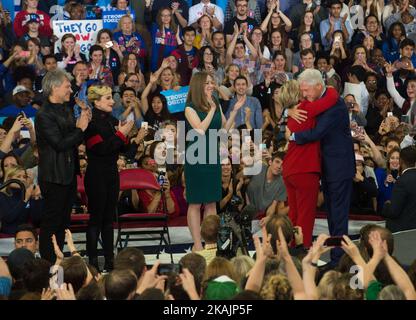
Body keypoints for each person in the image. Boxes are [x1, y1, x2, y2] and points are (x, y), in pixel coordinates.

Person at [286, 69, 355, 265]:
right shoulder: (323, 99)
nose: (304, 94)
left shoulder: (336, 105)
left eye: (306, 90)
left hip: (339, 168)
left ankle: (339, 261)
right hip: (328, 167)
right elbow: (301, 108)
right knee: (333, 215)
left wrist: (293, 136)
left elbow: (317, 131)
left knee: (338, 217)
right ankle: (337, 258)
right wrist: (287, 111)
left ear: (318, 86)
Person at [35, 69, 90, 262]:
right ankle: (48, 264)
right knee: (52, 222)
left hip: (67, 173)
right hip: (53, 176)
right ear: (54, 87)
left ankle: (58, 262)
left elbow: (70, 137)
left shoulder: (64, 107)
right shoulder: (44, 115)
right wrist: (80, 128)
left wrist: (82, 120)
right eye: (66, 86)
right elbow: (59, 144)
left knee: (63, 222)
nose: (70, 90)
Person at [184, 71, 243, 251]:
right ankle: (196, 244)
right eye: (207, 83)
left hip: (212, 156)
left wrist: (234, 111)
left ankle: (210, 242)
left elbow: (224, 128)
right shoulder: (190, 107)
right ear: (198, 85)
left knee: (211, 202)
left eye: (212, 82)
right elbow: (200, 130)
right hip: (196, 157)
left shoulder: (216, 103)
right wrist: (210, 110)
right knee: (195, 202)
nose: (211, 85)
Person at [278, 79, 338, 247]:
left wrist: (286, 111)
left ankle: (291, 249)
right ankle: (303, 251)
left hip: (290, 169)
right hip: (304, 169)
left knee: (294, 215)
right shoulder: (305, 109)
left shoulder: (291, 116)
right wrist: (328, 86)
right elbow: (332, 98)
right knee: (305, 216)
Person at [84, 85, 134, 271]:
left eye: (111, 97)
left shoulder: (112, 120)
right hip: (96, 174)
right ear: (96, 102)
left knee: (108, 219)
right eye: (107, 98)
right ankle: (93, 262)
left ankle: (110, 260)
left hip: (112, 173)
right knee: (96, 219)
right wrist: (122, 134)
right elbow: (102, 149)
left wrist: (126, 137)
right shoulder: (90, 122)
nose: (113, 101)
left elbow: (124, 149)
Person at [382, 146, 416, 232]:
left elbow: (393, 212)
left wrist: (387, 205)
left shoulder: (402, 181)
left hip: (403, 232)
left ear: (401, 161)